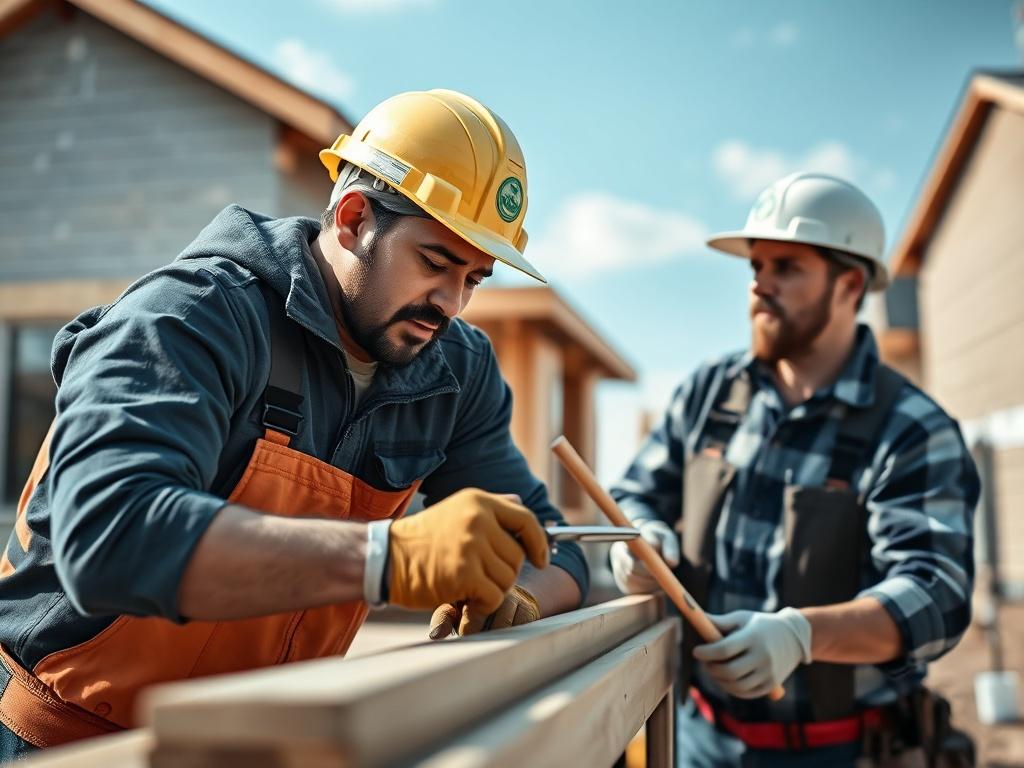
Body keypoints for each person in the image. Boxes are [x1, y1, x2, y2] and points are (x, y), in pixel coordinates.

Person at [0, 89, 587, 757]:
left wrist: (523, 595)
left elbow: (554, 542)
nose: (450, 304)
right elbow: (109, 534)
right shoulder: (191, 318)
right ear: (353, 218)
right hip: (63, 739)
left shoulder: (453, 371)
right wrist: (388, 559)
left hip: (259, 743)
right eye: (434, 263)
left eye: (475, 278)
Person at [609, 173, 978, 766]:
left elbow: (937, 595)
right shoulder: (710, 392)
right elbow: (635, 495)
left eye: (787, 267)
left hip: (844, 750)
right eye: (756, 267)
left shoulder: (911, 428)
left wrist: (802, 634)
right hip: (699, 740)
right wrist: (635, 539)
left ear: (849, 283)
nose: (760, 285)